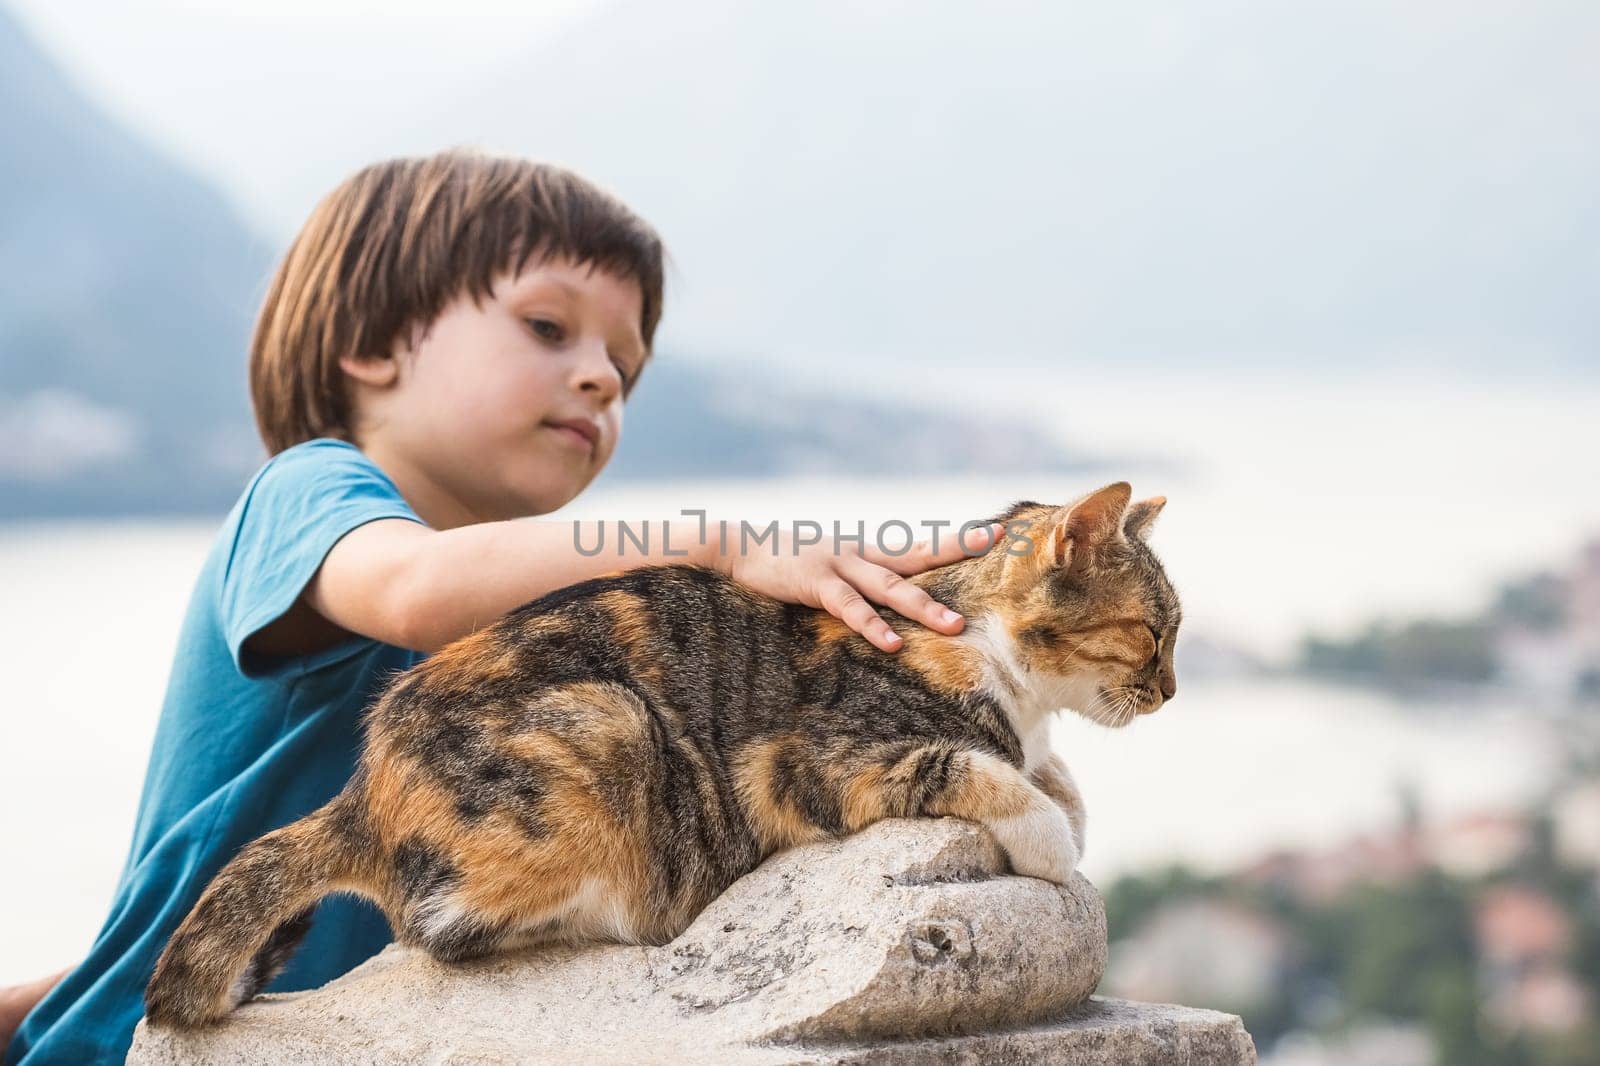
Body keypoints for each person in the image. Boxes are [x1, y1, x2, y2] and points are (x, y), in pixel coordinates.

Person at [1, 149, 988, 1065]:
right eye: (548, 327)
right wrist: (720, 547)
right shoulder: (308, 495)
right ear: (374, 345)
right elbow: (415, 590)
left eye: (626, 368)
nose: (602, 375)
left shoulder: (537, 622)